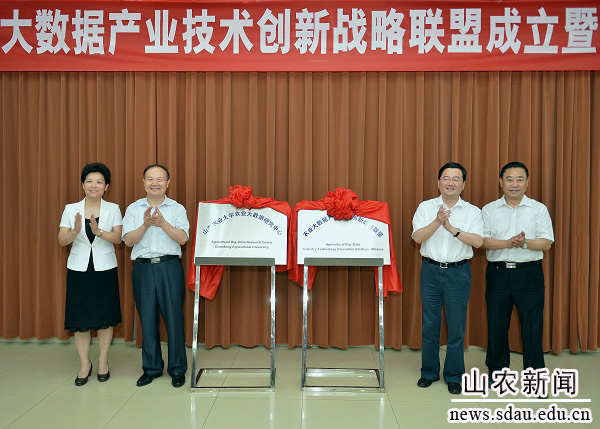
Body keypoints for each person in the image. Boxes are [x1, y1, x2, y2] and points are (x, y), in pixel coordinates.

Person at [412, 162, 483, 394]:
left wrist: (452, 228)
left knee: (456, 326)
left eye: (456, 179)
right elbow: (417, 238)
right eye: (446, 178)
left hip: (458, 273)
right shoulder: (425, 207)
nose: (450, 183)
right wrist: (437, 222)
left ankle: (454, 375)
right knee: (430, 324)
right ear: (438, 182)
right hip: (430, 271)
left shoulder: (472, 211)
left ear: (463, 184)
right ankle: (429, 372)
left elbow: (478, 241)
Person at [482, 162, 554, 383]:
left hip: (529, 274)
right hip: (498, 273)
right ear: (501, 182)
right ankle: (497, 372)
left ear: (527, 182)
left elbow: (546, 242)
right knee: (497, 325)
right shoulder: (489, 210)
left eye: (519, 179)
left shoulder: (538, 209)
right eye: (509, 179)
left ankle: (535, 376)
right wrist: (507, 243)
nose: (514, 184)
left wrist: (524, 243)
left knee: (532, 327)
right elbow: (482, 241)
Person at [122, 164, 189, 388]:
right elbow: (128, 241)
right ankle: (151, 368)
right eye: (150, 179)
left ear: (168, 183)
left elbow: (182, 238)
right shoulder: (133, 209)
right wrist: (145, 225)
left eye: (160, 179)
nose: (155, 183)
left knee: (174, 319)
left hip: (169, 267)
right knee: (147, 320)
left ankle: (177, 368)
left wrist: (162, 223)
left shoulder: (177, 209)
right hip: (143, 268)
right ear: (143, 183)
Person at [58, 162, 123, 386]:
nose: (94, 186)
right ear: (83, 185)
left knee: (105, 318)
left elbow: (118, 238)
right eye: (89, 181)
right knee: (80, 320)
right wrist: (76, 231)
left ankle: (103, 361)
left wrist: (98, 231)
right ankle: (85, 363)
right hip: (79, 270)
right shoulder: (70, 209)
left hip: (105, 269)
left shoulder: (113, 209)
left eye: (99, 182)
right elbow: (62, 240)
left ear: (107, 186)